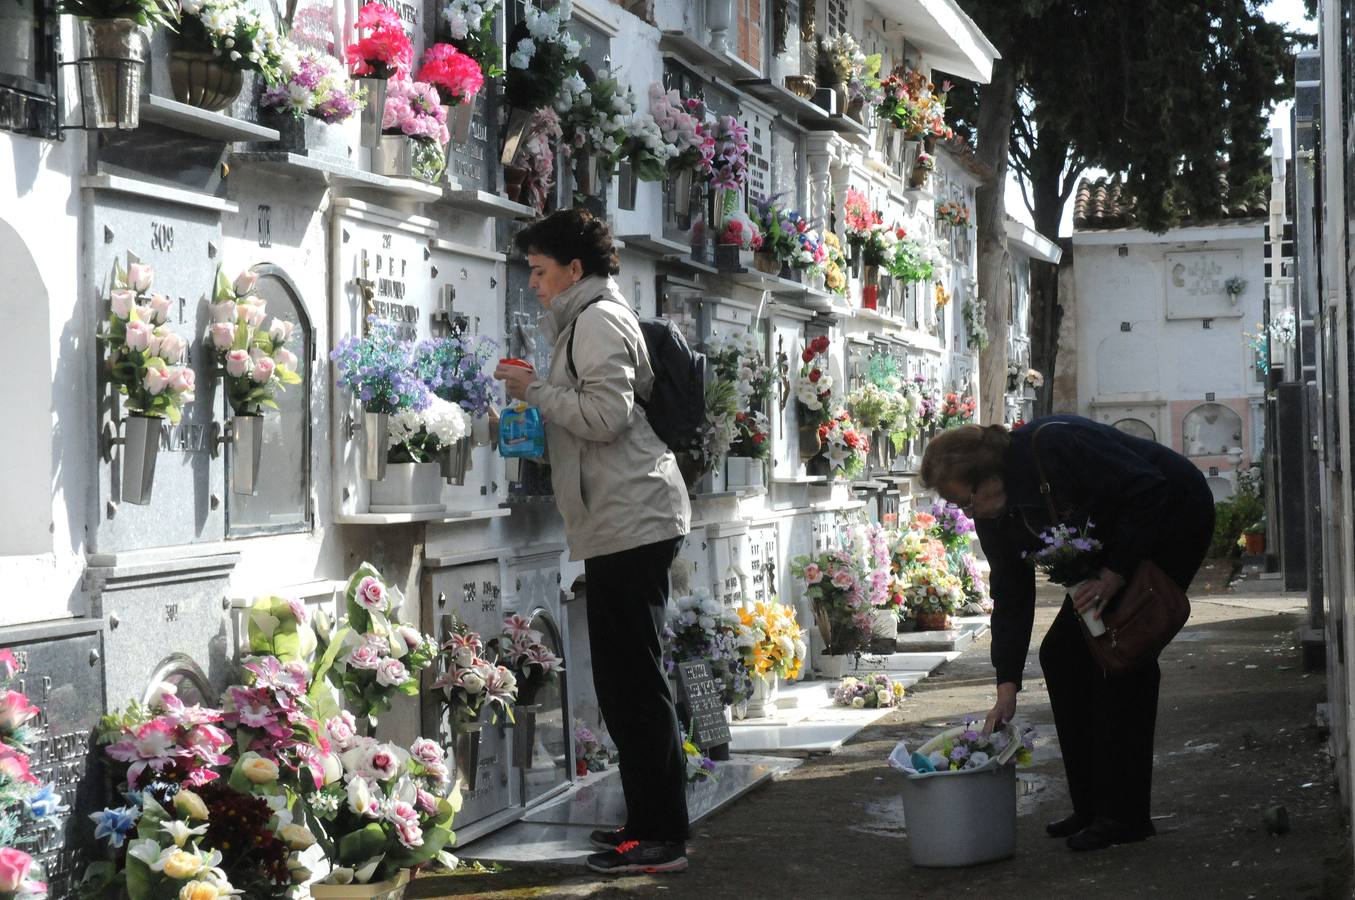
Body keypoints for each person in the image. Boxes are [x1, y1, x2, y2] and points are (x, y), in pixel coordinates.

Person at [493, 208, 692, 875]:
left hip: (631, 520)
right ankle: (645, 824)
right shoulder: (586, 319)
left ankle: (661, 836)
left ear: (574, 269)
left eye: (541, 271)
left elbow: (605, 418)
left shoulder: (598, 321)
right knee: (624, 681)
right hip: (619, 519)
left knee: (634, 683)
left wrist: (534, 389)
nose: (535, 285)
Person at [920, 415, 1214, 852]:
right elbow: (1011, 595)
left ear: (986, 478)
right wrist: (1007, 685)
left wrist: (1115, 574)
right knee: (1062, 655)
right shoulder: (995, 515)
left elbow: (1148, 488)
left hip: (1169, 515)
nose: (967, 513)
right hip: (1109, 543)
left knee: (1122, 656)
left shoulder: (1053, 446)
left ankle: (1126, 816)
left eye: (965, 502)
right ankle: (1092, 806)